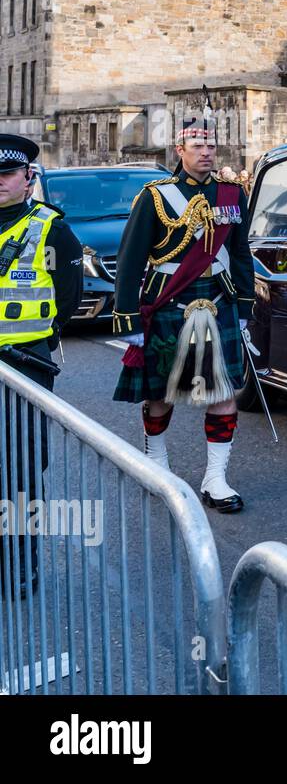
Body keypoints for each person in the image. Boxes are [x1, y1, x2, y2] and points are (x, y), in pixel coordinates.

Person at [112, 118, 255, 513]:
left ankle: (216, 479)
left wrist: (245, 307)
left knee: (223, 393)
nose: (206, 153)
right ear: (180, 150)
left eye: (211, 146)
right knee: (160, 392)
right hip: (169, 302)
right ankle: (157, 462)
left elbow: (241, 253)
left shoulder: (231, 194)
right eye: (197, 147)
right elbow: (130, 260)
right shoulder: (155, 196)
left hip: (219, 302)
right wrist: (128, 318)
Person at [0, 135, 83, 598]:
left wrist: (41, 337)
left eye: (7, 174)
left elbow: (69, 296)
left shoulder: (51, 229)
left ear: (28, 177)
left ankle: (20, 565)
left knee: (22, 471)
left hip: (25, 364)